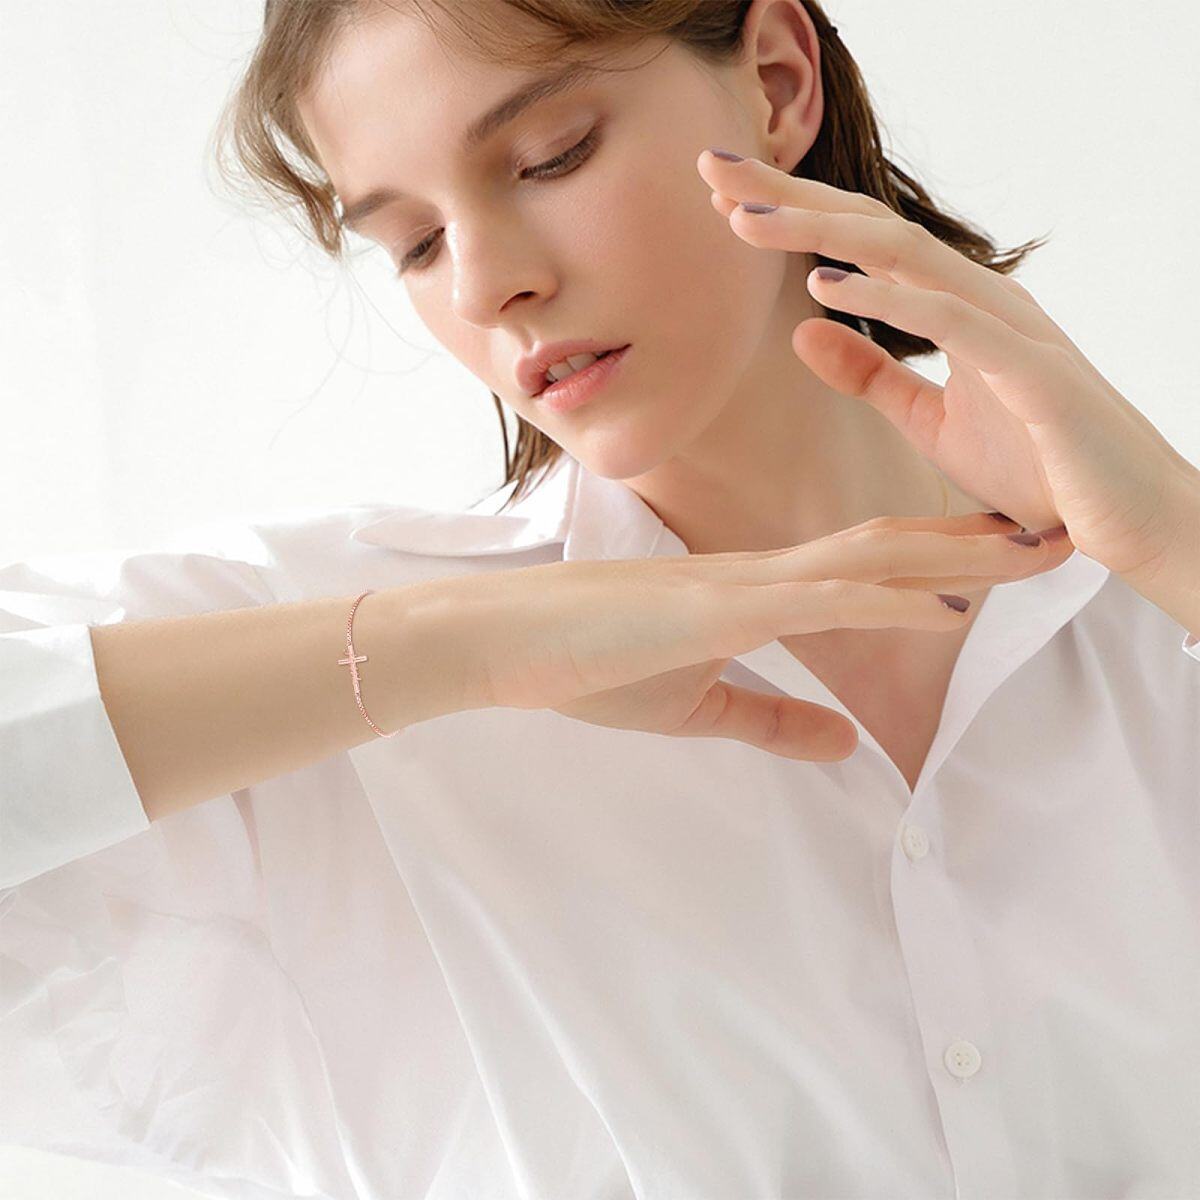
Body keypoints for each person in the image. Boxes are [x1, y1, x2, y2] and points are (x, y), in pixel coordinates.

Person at [3, 1, 1199, 1197]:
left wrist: (1179, 542)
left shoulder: (1154, 614)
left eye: (547, 158)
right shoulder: (324, 717)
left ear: (777, 86)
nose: (484, 287)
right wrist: (459, 653)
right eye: (414, 243)